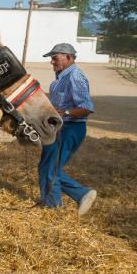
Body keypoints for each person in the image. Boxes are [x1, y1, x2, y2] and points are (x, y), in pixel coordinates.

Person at [38, 43, 97, 216]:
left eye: (55, 58)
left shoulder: (75, 76)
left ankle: (54, 208)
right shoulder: (61, 77)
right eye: (51, 58)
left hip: (71, 128)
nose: (52, 62)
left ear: (69, 58)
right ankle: (73, 196)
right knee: (46, 166)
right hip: (59, 127)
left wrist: (64, 112)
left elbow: (86, 107)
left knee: (51, 168)